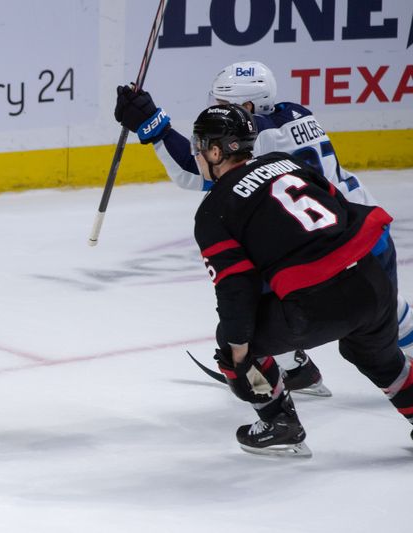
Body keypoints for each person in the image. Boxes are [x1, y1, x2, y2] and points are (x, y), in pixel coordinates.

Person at [114, 60, 413, 394]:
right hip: (365, 227)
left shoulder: (258, 138)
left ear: (249, 107)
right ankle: (309, 370)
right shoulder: (296, 113)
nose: (217, 112)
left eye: (224, 106)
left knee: (255, 304)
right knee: (386, 312)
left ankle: (293, 376)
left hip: (327, 244)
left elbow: (197, 169)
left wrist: (155, 127)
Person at [188, 104, 413, 456]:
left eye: (200, 147)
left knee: (233, 339)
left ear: (216, 151)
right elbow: (340, 205)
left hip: (317, 304)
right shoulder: (285, 161)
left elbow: (236, 289)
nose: (198, 155)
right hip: (372, 277)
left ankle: (279, 423)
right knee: (379, 356)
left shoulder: (214, 209)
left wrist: (239, 352)